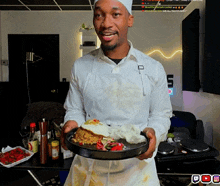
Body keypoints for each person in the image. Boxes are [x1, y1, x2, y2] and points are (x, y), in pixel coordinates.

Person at [61, 0, 172, 185]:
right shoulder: (80, 66)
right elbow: (75, 110)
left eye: (115, 14)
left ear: (130, 19)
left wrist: (156, 132)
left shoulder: (153, 68)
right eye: (99, 15)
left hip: (138, 172)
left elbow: (161, 114)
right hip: (89, 170)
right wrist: (71, 123)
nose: (105, 23)